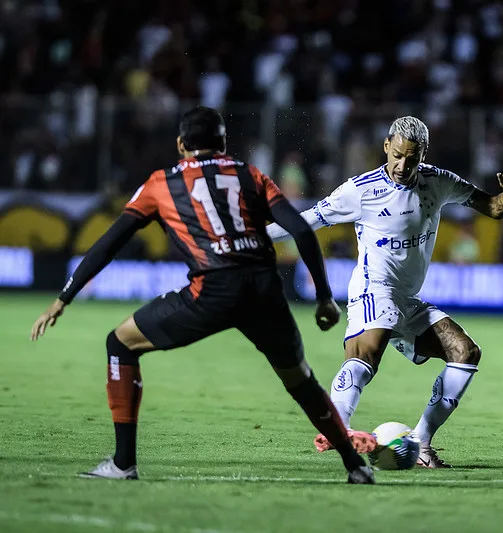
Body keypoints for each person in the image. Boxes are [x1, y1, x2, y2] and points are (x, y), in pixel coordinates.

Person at [30, 106, 375, 484]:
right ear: (224, 143)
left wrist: (65, 296)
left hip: (212, 290)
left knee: (121, 343)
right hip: (264, 290)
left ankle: (123, 463)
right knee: (300, 379)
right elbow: (302, 230)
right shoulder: (249, 174)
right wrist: (325, 297)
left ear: (181, 144)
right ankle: (354, 465)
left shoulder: (161, 183)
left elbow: (110, 242)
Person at [267, 116, 503, 467]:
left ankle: (421, 442)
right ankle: (337, 426)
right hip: (373, 287)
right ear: (386, 145)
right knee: (367, 352)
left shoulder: (439, 181)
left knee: (465, 352)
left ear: (424, 155)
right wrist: (251, 239)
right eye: (398, 155)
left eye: (412, 158)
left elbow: (493, 208)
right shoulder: (360, 190)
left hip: (408, 300)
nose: (403, 165)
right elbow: (306, 220)